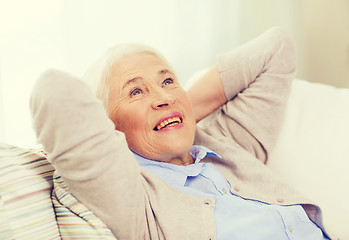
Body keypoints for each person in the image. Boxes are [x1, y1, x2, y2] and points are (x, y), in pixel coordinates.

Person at [30, 27, 330, 239]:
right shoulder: (134, 199)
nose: (164, 96)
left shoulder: (227, 143)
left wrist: (177, 112)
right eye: (135, 91)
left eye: (169, 81)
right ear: (109, 127)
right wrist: (149, 124)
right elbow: (53, 91)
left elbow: (277, 47)